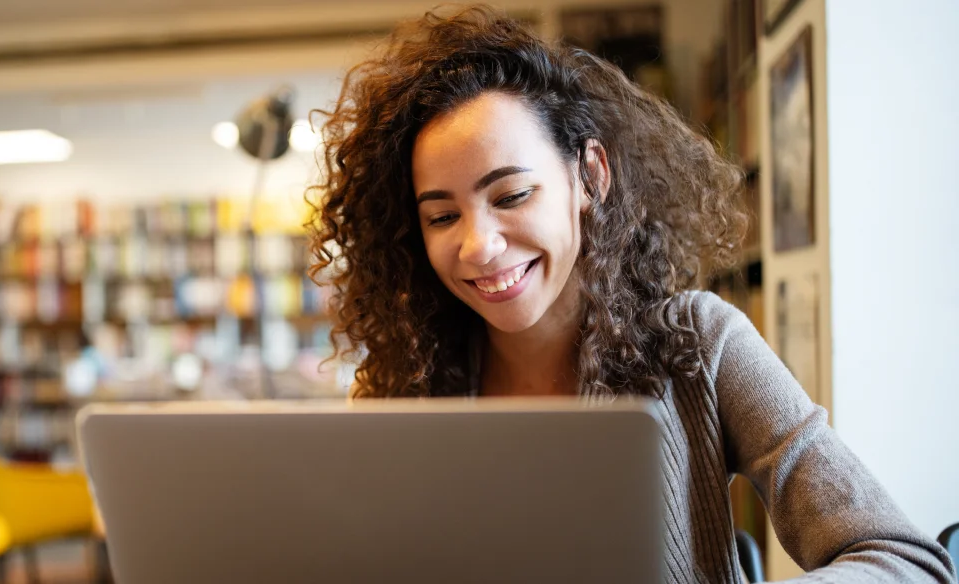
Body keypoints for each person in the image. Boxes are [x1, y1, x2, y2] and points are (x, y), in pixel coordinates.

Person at [306, 5, 955, 583]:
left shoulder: (699, 342)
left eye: (511, 195)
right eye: (442, 216)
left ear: (589, 176)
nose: (478, 246)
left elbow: (902, 557)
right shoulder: (406, 387)